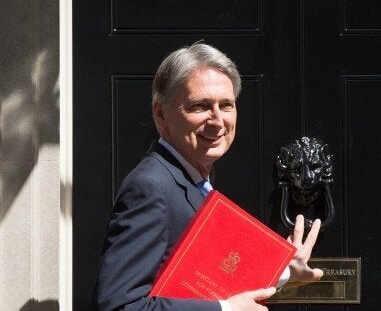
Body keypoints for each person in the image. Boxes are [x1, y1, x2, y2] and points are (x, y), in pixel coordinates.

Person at [91, 42, 324, 310]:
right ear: (161, 114)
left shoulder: (193, 179)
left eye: (226, 105)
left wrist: (283, 273)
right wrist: (224, 310)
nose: (217, 121)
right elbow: (118, 306)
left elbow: (207, 282)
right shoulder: (151, 187)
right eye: (200, 106)